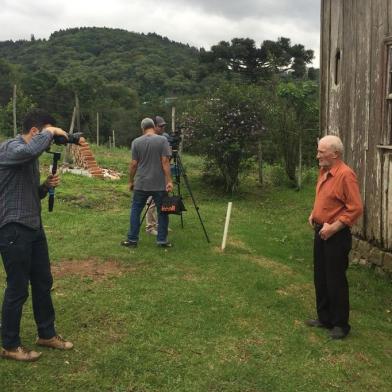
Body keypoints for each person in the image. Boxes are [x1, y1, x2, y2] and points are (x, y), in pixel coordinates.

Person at [0, 109, 74, 362]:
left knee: (42, 281)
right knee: (18, 288)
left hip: (33, 227)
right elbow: (30, 150)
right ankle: (10, 345)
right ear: (36, 132)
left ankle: (46, 333)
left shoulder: (27, 157)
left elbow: (29, 195)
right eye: (46, 136)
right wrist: (51, 132)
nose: (48, 142)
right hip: (13, 229)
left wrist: (44, 187)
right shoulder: (10, 148)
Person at [306, 135, 363, 339]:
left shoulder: (346, 175)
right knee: (320, 276)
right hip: (320, 231)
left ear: (335, 154)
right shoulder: (324, 171)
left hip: (336, 235)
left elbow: (355, 208)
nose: (317, 155)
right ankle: (324, 318)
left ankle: (340, 325)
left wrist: (334, 226)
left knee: (335, 279)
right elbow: (324, 198)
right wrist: (315, 213)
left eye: (321, 152)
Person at [122, 117, 173, 248]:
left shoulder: (136, 142)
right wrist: (169, 181)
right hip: (159, 184)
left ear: (142, 128)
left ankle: (132, 240)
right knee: (163, 212)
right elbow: (165, 162)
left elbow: (134, 164)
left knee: (136, 210)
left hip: (141, 183)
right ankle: (162, 240)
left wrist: (130, 181)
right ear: (153, 126)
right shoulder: (162, 140)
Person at [145, 116, 170, 236]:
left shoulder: (163, 139)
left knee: (162, 201)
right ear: (154, 127)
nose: (163, 128)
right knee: (152, 202)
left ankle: (161, 224)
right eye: (161, 126)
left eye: (164, 125)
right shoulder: (150, 140)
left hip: (161, 176)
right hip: (152, 176)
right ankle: (150, 227)